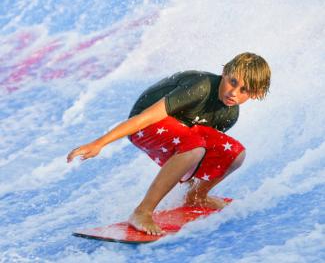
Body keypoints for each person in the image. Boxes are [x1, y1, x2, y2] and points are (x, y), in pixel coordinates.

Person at [67, 52, 271, 236]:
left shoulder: (229, 114)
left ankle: (196, 197)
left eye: (244, 90)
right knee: (194, 148)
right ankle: (142, 212)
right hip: (144, 124)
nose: (234, 92)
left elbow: (205, 156)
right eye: (232, 81)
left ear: (255, 94)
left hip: (181, 135)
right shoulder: (200, 87)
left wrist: (190, 180)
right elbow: (146, 118)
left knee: (235, 153)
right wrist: (100, 143)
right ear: (224, 71)